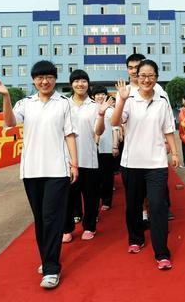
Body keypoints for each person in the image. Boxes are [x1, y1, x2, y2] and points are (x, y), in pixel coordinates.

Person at [0, 60, 78, 289]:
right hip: (32, 170)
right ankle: (47, 258)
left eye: (49, 77)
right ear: (34, 80)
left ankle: (51, 268)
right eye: (40, 78)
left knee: (52, 218)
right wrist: (5, 97)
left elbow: (70, 135)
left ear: (55, 79)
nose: (44, 81)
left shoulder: (64, 104)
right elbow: (9, 123)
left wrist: (74, 164)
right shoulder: (25, 103)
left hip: (57, 169)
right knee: (40, 219)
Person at [111, 59, 179, 270]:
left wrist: (174, 152)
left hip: (156, 162)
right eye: (142, 76)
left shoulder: (162, 101)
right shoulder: (128, 99)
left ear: (156, 78)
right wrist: (120, 100)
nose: (146, 80)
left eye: (151, 76)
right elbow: (114, 122)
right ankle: (136, 238)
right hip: (132, 163)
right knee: (133, 204)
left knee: (158, 206)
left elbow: (168, 129)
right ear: (136, 78)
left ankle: (162, 252)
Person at [62, 70, 113, 243]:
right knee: (67, 197)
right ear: (71, 84)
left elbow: (98, 131)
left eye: (83, 81)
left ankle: (89, 226)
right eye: (76, 81)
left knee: (90, 196)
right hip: (67, 160)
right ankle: (67, 228)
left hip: (89, 158)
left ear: (88, 84)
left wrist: (101, 114)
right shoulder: (63, 105)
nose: (80, 84)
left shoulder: (94, 106)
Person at [92, 85, 120, 211]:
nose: (100, 96)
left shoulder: (110, 110)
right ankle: (95, 199)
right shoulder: (90, 109)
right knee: (95, 177)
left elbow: (115, 128)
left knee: (107, 176)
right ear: (93, 96)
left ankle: (106, 201)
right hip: (92, 149)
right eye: (97, 94)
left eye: (102, 94)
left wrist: (115, 146)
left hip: (107, 148)